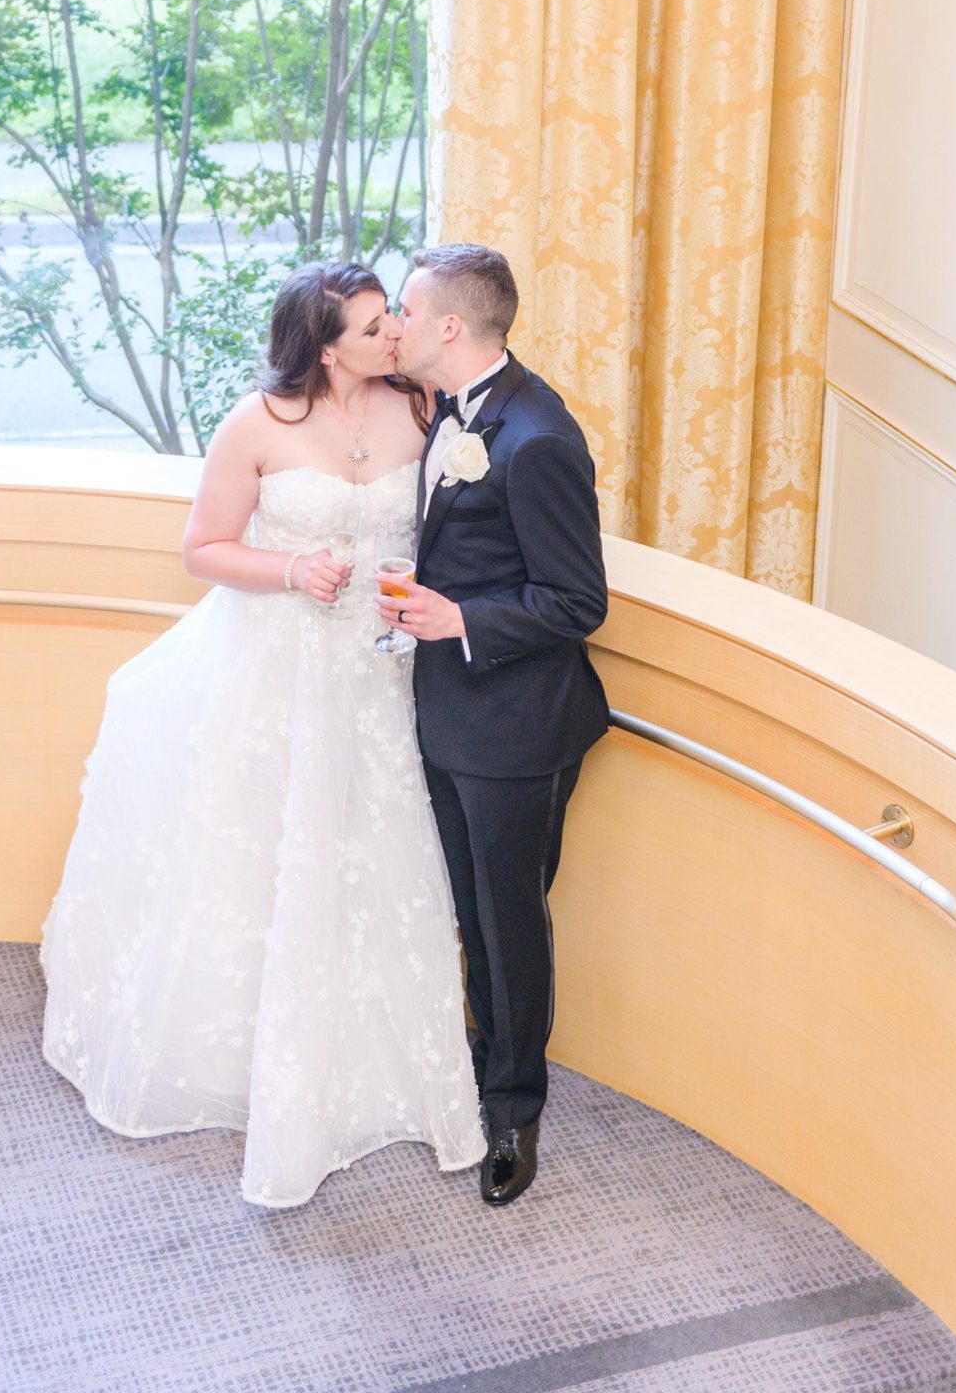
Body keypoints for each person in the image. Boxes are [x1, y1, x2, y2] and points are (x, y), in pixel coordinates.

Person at [39, 260, 486, 1209]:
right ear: (324, 347)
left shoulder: (418, 410)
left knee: (378, 851)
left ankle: (376, 1065)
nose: (392, 336)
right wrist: (290, 572)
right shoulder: (257, 424)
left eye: (390, 321)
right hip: (280, 666)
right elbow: (203, 547)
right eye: (372, 328)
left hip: (385, 665)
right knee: (264, 853)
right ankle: (255, 1067)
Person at [386, 243, 609, 1206]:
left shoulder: (536, 435)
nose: (392, 325)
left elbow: (576, 602)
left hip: (517, 726)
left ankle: (514, 1108)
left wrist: (460, 619)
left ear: (448, 326)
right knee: (468, 913)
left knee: (508, 922)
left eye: (403, 310)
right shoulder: (446, 413)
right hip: (448, 709)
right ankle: (474, 1073)